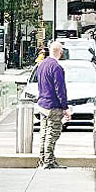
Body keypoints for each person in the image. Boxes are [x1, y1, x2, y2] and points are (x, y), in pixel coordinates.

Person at [35, 39, 69, 169]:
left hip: (42, 104)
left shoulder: (41, 65)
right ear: (59, 52)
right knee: (53, 133)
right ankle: (48, 161)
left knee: (44, 133)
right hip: (53, 105)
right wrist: (65, 107)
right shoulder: (56, 67)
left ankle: (43, 159)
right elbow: (60, 89)